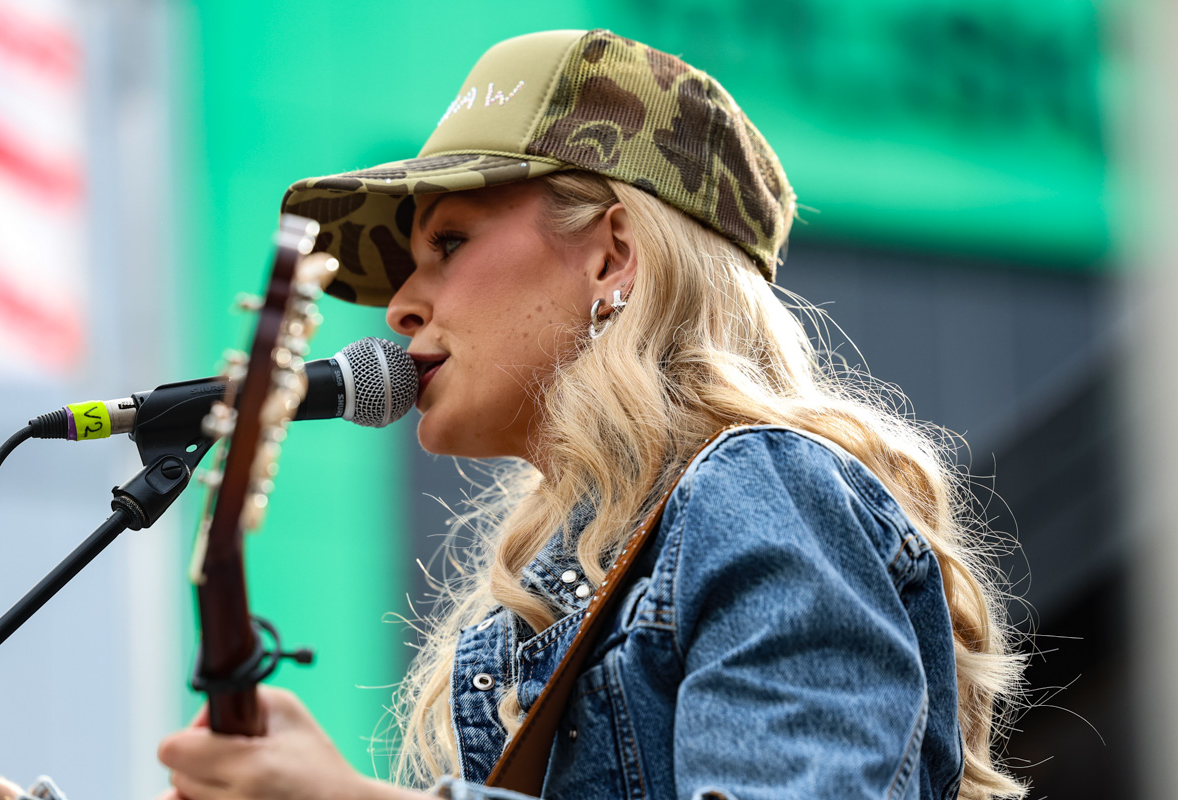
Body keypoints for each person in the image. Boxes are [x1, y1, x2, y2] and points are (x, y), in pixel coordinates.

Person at [151, 29, 1025, 800]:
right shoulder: (551, 601)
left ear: (612, 255)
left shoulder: (763, 484)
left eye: (448, 242)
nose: (401, 308)